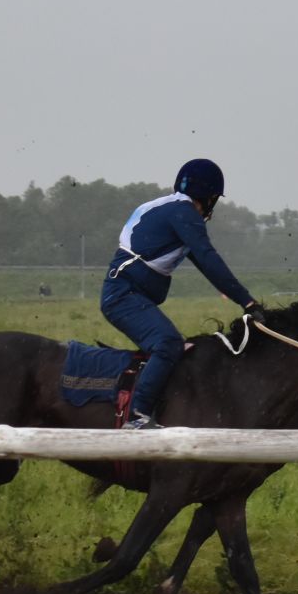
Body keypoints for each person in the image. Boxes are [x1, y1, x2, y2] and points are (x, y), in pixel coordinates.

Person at [101, 158, 262, 430]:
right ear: (209, 197)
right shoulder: (184, 213)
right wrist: (248, 302)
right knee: (168, 344)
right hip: (123, 296)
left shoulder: (170, 209)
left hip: (127, 293)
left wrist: (243, 300)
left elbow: (204, 263)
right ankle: (137, 417)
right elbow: (209, 260)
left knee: (176, 345)